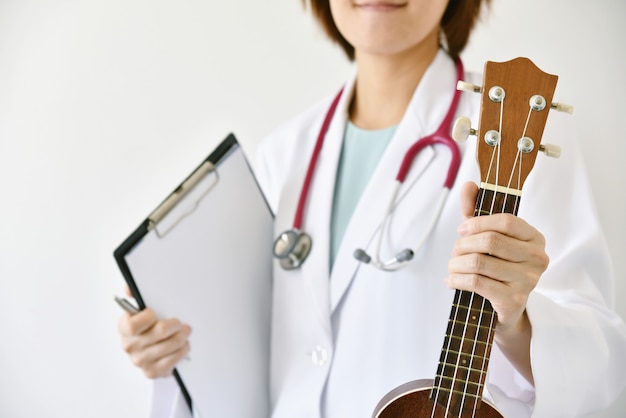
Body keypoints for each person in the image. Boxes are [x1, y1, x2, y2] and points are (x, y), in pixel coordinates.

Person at [117, 0, 626, 417]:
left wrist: (518, 321)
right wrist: (170, 352)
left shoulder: (519, 133)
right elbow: (251, 361)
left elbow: (601, 371)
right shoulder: (283, 155)